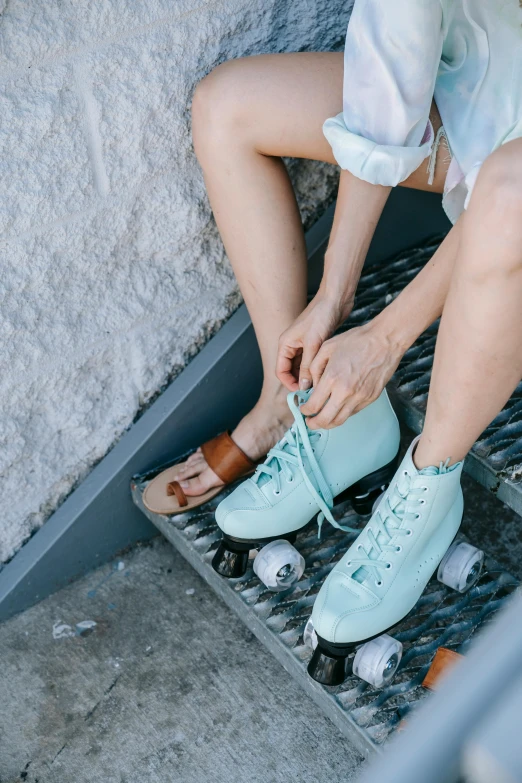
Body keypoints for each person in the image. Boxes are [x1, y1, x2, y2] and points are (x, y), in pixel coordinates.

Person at [143, 0, 522, 677]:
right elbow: (392, 65)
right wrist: (333, 298)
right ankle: (286, 403)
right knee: (227, 106)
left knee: (506, 193)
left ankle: (429, 482)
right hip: (475, 109)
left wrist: (385, 339)